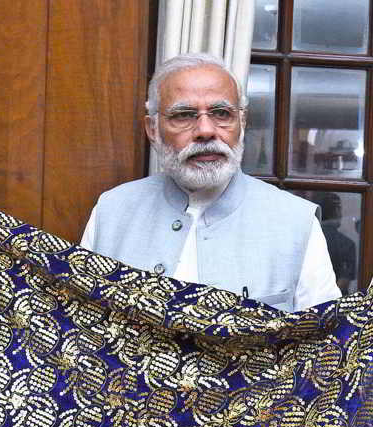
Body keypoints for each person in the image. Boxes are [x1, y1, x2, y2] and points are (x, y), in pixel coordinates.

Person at [80, 53, 340, 311]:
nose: (206, 130)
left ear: (242, 121)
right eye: (183, 115)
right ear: (152, 129)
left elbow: (324, 340)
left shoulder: (295, 221)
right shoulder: (112, 211)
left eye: (221, 113)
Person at [308, 191, 357, 294]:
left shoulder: (305, 239)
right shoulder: (347, 244)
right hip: (335, 305)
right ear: (337, 210)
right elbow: (344, 282)